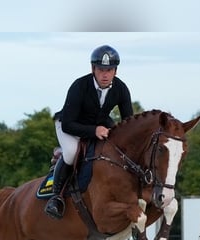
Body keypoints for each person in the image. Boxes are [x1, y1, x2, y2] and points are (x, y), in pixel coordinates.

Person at [45, 44, 134, 220]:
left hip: (98, 125)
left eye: (109, 70)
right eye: (101, 69)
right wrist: (94, 131)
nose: (105, 74)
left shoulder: (121, 89)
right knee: (71, 153)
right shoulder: (79, 86)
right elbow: (68, 125)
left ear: (115, 71)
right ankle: (56, 198)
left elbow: (128, 123)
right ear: (93, 69)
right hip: (69, 125)